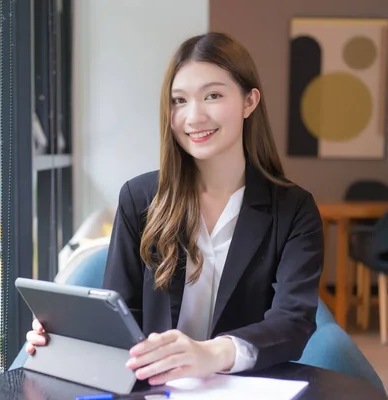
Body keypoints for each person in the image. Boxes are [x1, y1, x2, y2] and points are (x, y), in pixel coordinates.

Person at [25, 32, 324, 386]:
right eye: (179, 100)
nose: (194, 116)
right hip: (151, 389)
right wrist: (63, 337)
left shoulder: (294, 210)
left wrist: (211, 353)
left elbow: (293, 322)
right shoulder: (139, 198)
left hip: (245, 388)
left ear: (249, 101)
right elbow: (121, 315)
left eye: (213, 95)